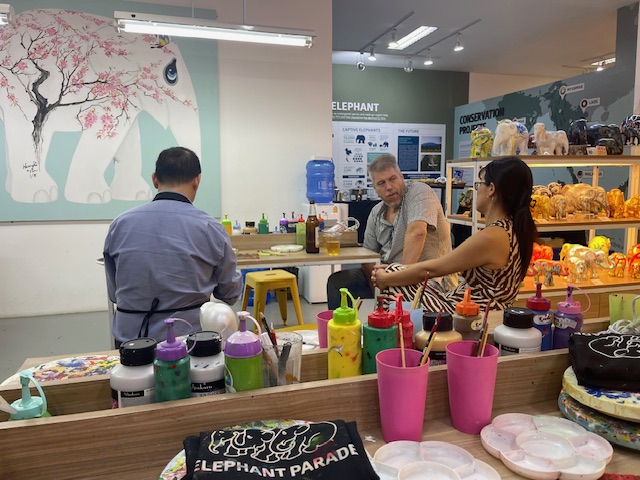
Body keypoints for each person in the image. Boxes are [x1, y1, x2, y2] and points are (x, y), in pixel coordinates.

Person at [103, 146, 243, 347]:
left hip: (130, 342)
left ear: (154, 179)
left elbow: (115, 293)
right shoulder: (210, 227)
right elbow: (230, 293)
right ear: (197, 180)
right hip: (188, 342)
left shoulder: (120, 224)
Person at [372, 156, 537, 313]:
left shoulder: (492, 236)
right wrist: (395, 272)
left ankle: (386, 329)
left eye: (479, 184)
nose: (476, 190)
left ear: (491, 190)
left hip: (474, 311)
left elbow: (434, 268)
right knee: (395, 271)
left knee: (394, 277)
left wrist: (387, 277)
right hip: (469, 304)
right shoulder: (508, 229)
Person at [326, 154, 456, 309]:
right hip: (388, 278)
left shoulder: (419, 191)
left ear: (401, 177)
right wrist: (380, 293)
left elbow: (417, 233)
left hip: (428, 278)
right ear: (375, 189)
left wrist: (398, 280)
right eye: (381, 183)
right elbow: (368, 257)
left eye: (393, 179)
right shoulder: (376, 212)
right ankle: (344, 324)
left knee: (402, 297)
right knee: (338, 282)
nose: (388, 187)